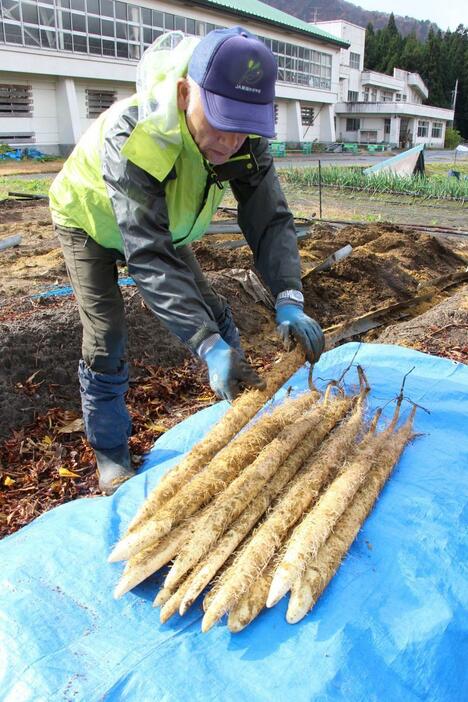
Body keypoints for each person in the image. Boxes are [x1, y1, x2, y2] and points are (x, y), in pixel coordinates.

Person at [49, 26, 325, 494]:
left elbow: (270, 220)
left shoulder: (242, 137)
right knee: (107, 331)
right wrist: (206, 346)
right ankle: (111, 452)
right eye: (220, 122)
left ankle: (240, 398)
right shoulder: (137, 132)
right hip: (90, 219)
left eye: (244, 128)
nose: (230, 141)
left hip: (162, 224)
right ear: (183, 93)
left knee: (214, 311)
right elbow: (148, 255)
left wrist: (289, 296)